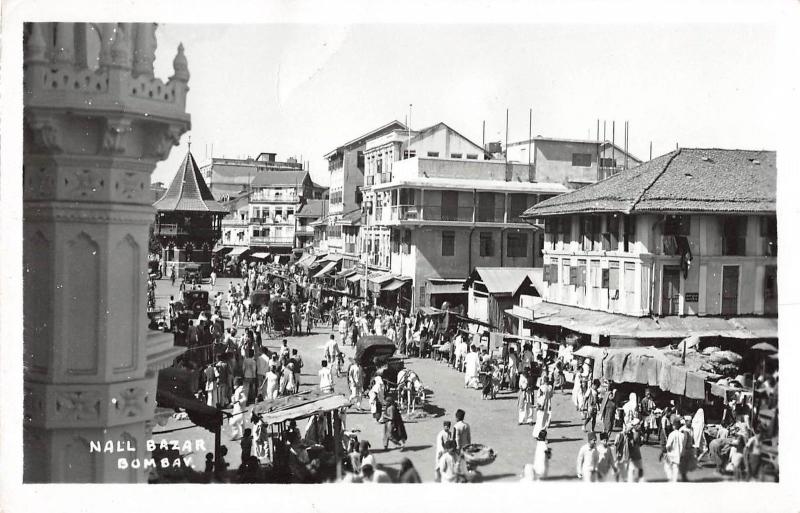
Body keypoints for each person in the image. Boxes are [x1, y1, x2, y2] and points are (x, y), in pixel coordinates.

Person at [663, 416, 685, 482]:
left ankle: (670, 478)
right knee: (676, 468)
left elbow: (668, 445)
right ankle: (674, 481)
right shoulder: (682, 435)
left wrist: (667, 452)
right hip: (678, 455)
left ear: (674, 426)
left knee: (667, 466)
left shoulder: (671, 434)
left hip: (671, 454)